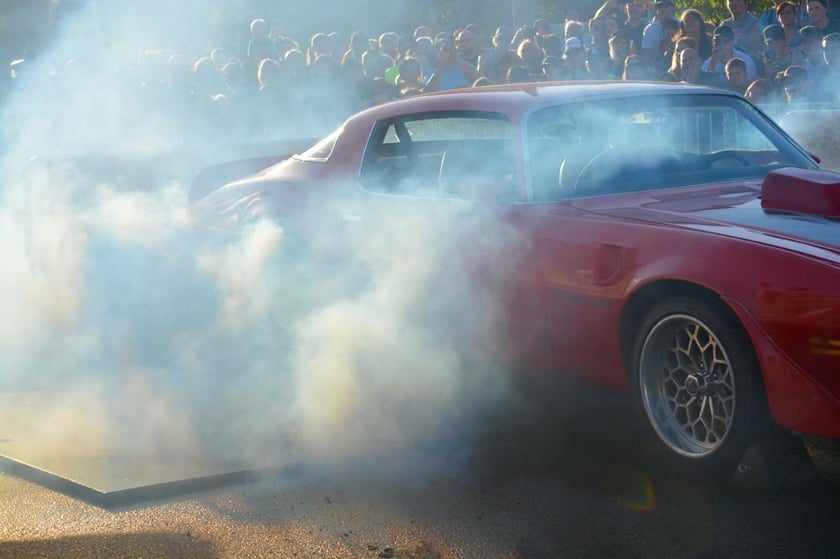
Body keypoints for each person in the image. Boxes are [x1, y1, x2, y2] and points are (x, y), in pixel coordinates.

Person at [640, 0, 677, 67]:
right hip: (657, 68)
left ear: (673, 8)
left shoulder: (681, 25)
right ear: (656, 9)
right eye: (659, 6)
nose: (663, 8)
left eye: (667, 5)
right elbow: (648, 57)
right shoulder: (650, 30)